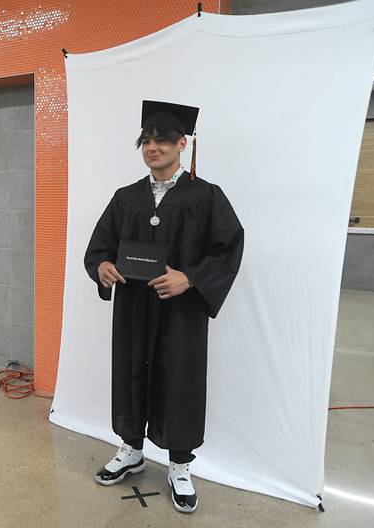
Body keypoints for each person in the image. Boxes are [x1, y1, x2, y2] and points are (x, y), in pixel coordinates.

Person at [84, 100, 244, 513]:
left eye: (163, 140)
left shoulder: (205, 196)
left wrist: (188, 278)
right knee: (131, 373)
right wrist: (101, 266)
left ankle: (179, 465)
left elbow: (229, 249)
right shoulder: (126, 198)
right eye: (147, 141)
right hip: (135, 309)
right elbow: (100, 246)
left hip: (181, 314)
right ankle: (131, 450)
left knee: (181, 381)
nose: (153, 147)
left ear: (182, 144)